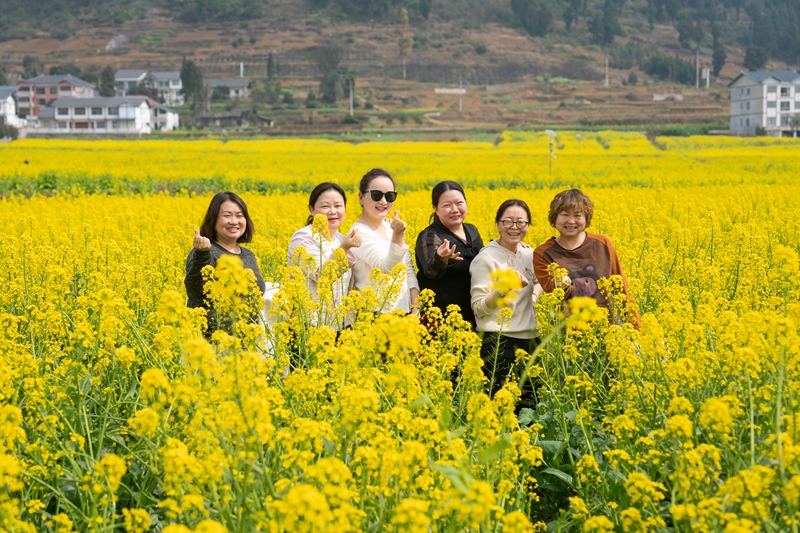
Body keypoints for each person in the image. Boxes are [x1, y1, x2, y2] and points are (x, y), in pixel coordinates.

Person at [533, 188, 638, 326]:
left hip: (609, 327)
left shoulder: (603, 243)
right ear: (554, 217)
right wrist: (561, 285)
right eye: (564, 215)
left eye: (578, 215)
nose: (571, 221)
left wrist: (636, 329)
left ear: (586, 218)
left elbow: (622, 288)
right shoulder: (543, 253)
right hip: (568, 332)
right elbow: (551, 289)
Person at [470, 199, 542, 398]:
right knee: (500, 406)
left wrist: (533, 297)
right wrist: (503, 289)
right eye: (508, 221)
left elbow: (540, 280)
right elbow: (478, 308)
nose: (514, 227)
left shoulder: (529, 253)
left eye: (521, 222)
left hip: (531, 340)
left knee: (531, 404)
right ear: (498, 224)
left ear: (528, 226)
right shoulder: (486, 259)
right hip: (499, 342)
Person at [185, 191, 266, 338]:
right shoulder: (205, 252)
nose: (234, 221)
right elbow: (195, 291)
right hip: (213, 341)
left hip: (246, 342)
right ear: (213, 220)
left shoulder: (248, 255)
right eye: (227, 216)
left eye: (239, 216)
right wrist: (201, 254)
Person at [349, 168, 420, 314]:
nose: (383, 201)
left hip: (405, 314)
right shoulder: (358, 234)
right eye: (376, 195)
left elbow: (408, 271)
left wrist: (415, 312)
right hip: (376, 317)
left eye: (390, 196)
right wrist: (398, 234)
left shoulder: (390, 227)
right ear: (361, 197)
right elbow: (386, 268)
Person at [415, 180, 484, 329]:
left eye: (459, 203)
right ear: (435, 208)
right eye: (447, 205)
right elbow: (431, 271)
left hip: (474, 316)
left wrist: (509, 245)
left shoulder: (472, 230)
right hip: (441, 322)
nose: (455, 209)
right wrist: (440, 258)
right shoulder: (430, 236)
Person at [288, 182, 362, 308]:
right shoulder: (302, 238)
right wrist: (344, 248)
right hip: (310, 321)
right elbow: (321, 276)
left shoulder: (341, 238)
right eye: (325, 206)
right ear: (312, 209)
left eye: (338, 206)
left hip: (342, 320)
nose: (332, 211)